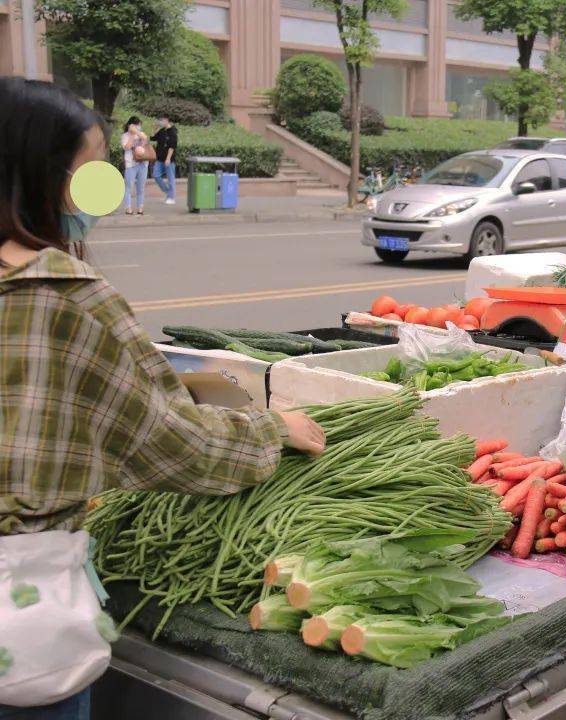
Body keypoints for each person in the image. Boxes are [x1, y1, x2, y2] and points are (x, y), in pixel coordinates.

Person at [0, 78, 325, 718]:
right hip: (19, 625)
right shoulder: (66, 299)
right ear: (41, 179)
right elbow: (178, 447)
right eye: (92, 173)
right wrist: (272, 428)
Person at [120, 116, 149, 215]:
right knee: (128, 187)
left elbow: (145, 139)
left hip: (142, 164)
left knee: (140, 187)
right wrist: (132, 135)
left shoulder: (141, 134)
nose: (139, 127)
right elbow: (126, 147)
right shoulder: (125, 136)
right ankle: (128, 208)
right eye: (137, 125)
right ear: (131, 125)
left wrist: (136, 132)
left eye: (139, 125)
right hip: (130, 164)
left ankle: (140, 208)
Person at [150, 114, 178, 205]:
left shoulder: (173, 132)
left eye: (162, 120)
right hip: (159, 159)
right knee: (156, 175)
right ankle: (168, 191)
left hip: (169, 160)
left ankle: (171, 197)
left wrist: (168, 158)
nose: (160, 122)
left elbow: (172, 147)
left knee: (170, 179)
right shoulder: (162, 131)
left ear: (166, 120)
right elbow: (153, 138)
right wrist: (154, 129)